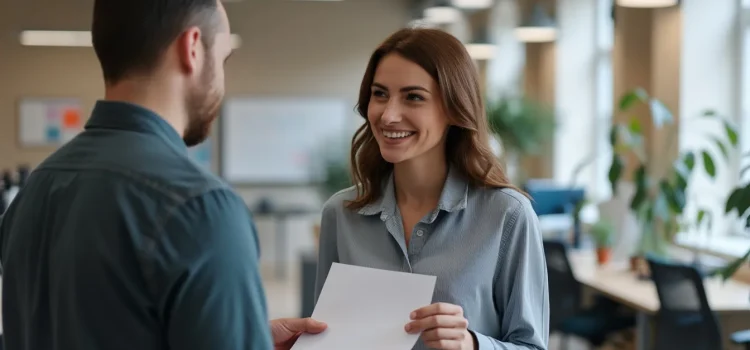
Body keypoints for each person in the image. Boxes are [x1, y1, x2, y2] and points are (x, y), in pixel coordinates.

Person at [0, 0, 326, 349]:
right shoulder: (203, 208)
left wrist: (241, 332)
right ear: (192, 48)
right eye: (223, 60)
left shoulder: (35, 189)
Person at [315, 28, 549, 350]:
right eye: (380, 94)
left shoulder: (508, 216)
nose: (389, 114)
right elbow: (326, 340)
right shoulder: (340, 215)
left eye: (413, 97)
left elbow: (532, 346)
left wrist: (472, 344)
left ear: (454, 108)